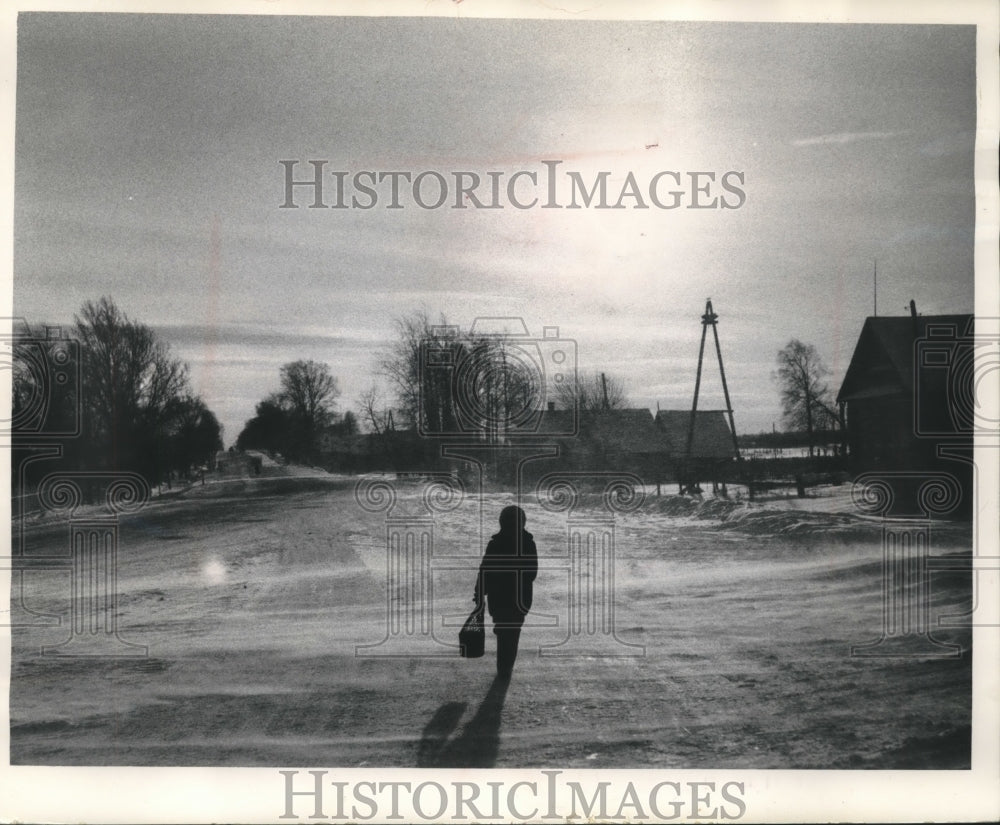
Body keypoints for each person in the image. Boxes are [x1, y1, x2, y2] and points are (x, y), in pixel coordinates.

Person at [473, 505, 537, 677]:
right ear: (522, 522)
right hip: (520, 598)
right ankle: (506, 668)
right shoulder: (528, 543)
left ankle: (503, 668)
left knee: (503, 629)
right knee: (513, 631)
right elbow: (532, 573)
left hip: (498, 597)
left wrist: (479, 592)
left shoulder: (496, 544)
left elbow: (484, 570)